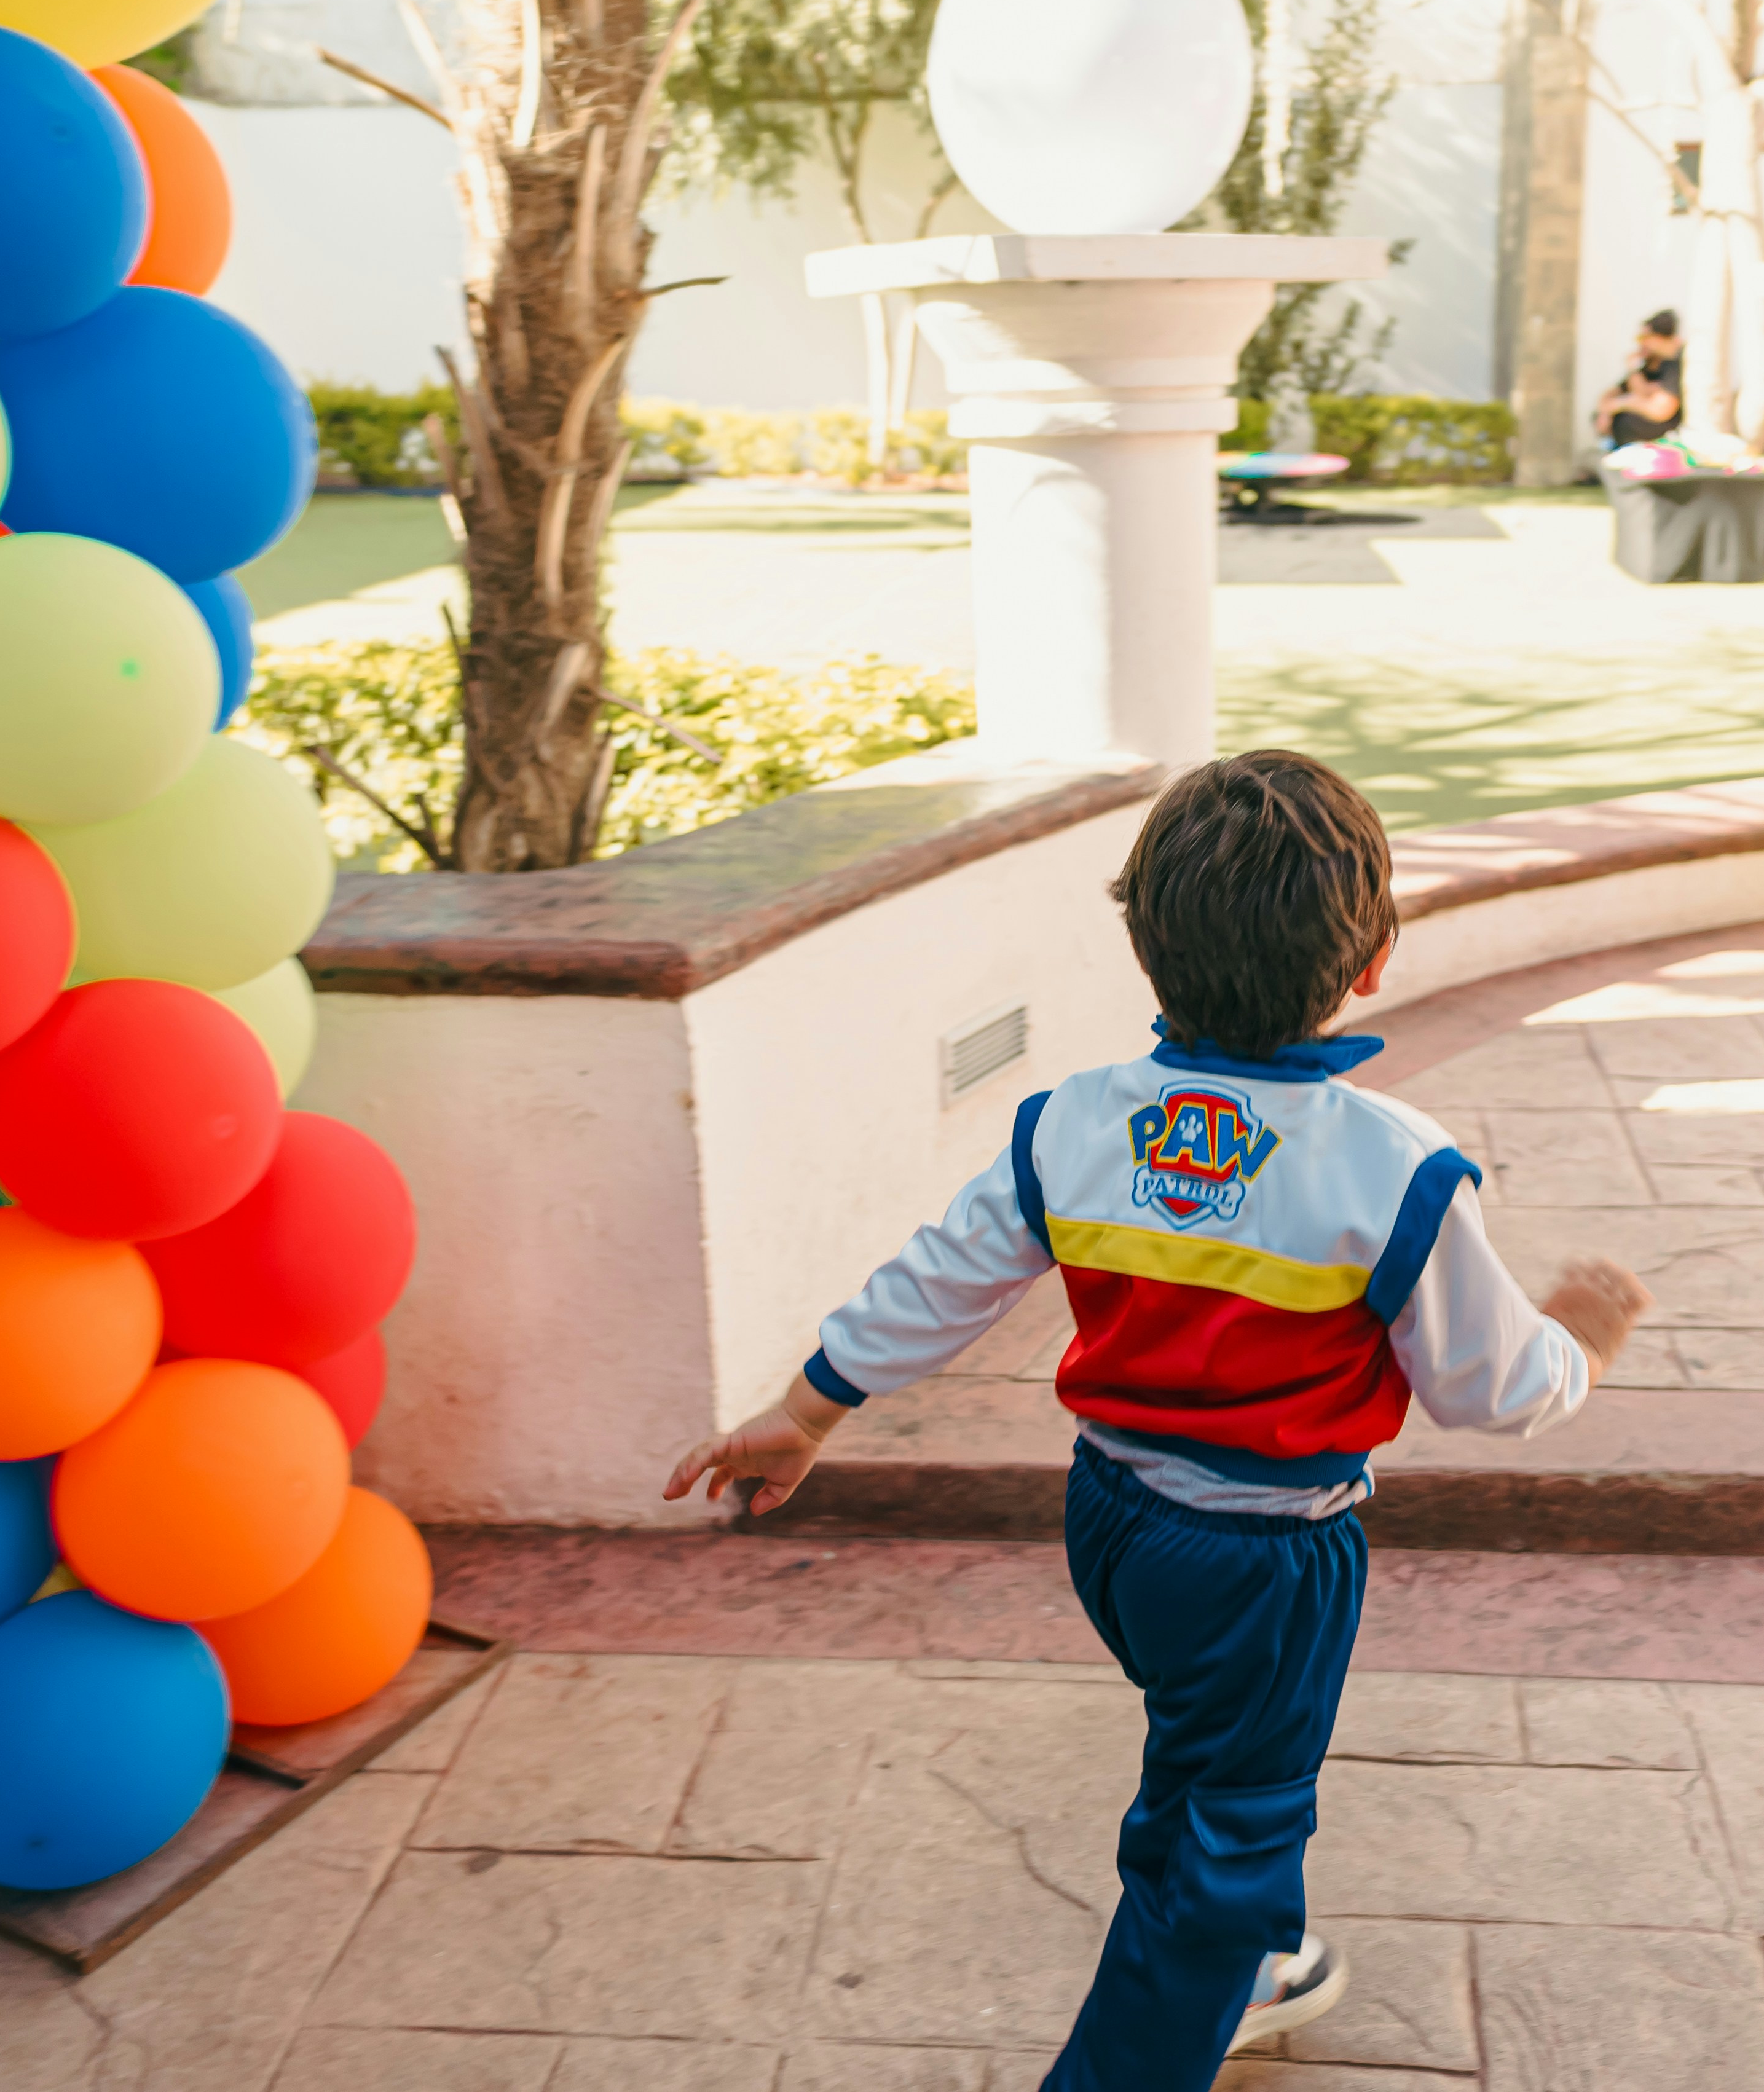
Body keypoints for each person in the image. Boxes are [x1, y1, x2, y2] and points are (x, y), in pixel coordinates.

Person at [664, 750, 1653, 2090]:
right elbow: (1489, 1384)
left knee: (1209, 1747)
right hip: (1264, 1556)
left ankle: (1247, 1956)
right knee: (1236, 1813)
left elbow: (939, 1279)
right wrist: (1577, 1343)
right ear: (1368, 963)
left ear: (1146, 953)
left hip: (1111, 1524)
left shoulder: (1071, 1124)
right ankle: (1169, 2011)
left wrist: (806, 1407)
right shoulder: (1392, 1165)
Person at [1593, 309, 1685, 446]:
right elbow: (1612, 395)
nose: (1641, 344)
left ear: (1658, 338)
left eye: (1643, 338)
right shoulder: (1649, 364)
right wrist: (1607, 411)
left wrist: (1623, 402)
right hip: (1639, 425)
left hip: (1663, 431)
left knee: (1624, 422)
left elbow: (1659, 410)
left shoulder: (1673, 365)